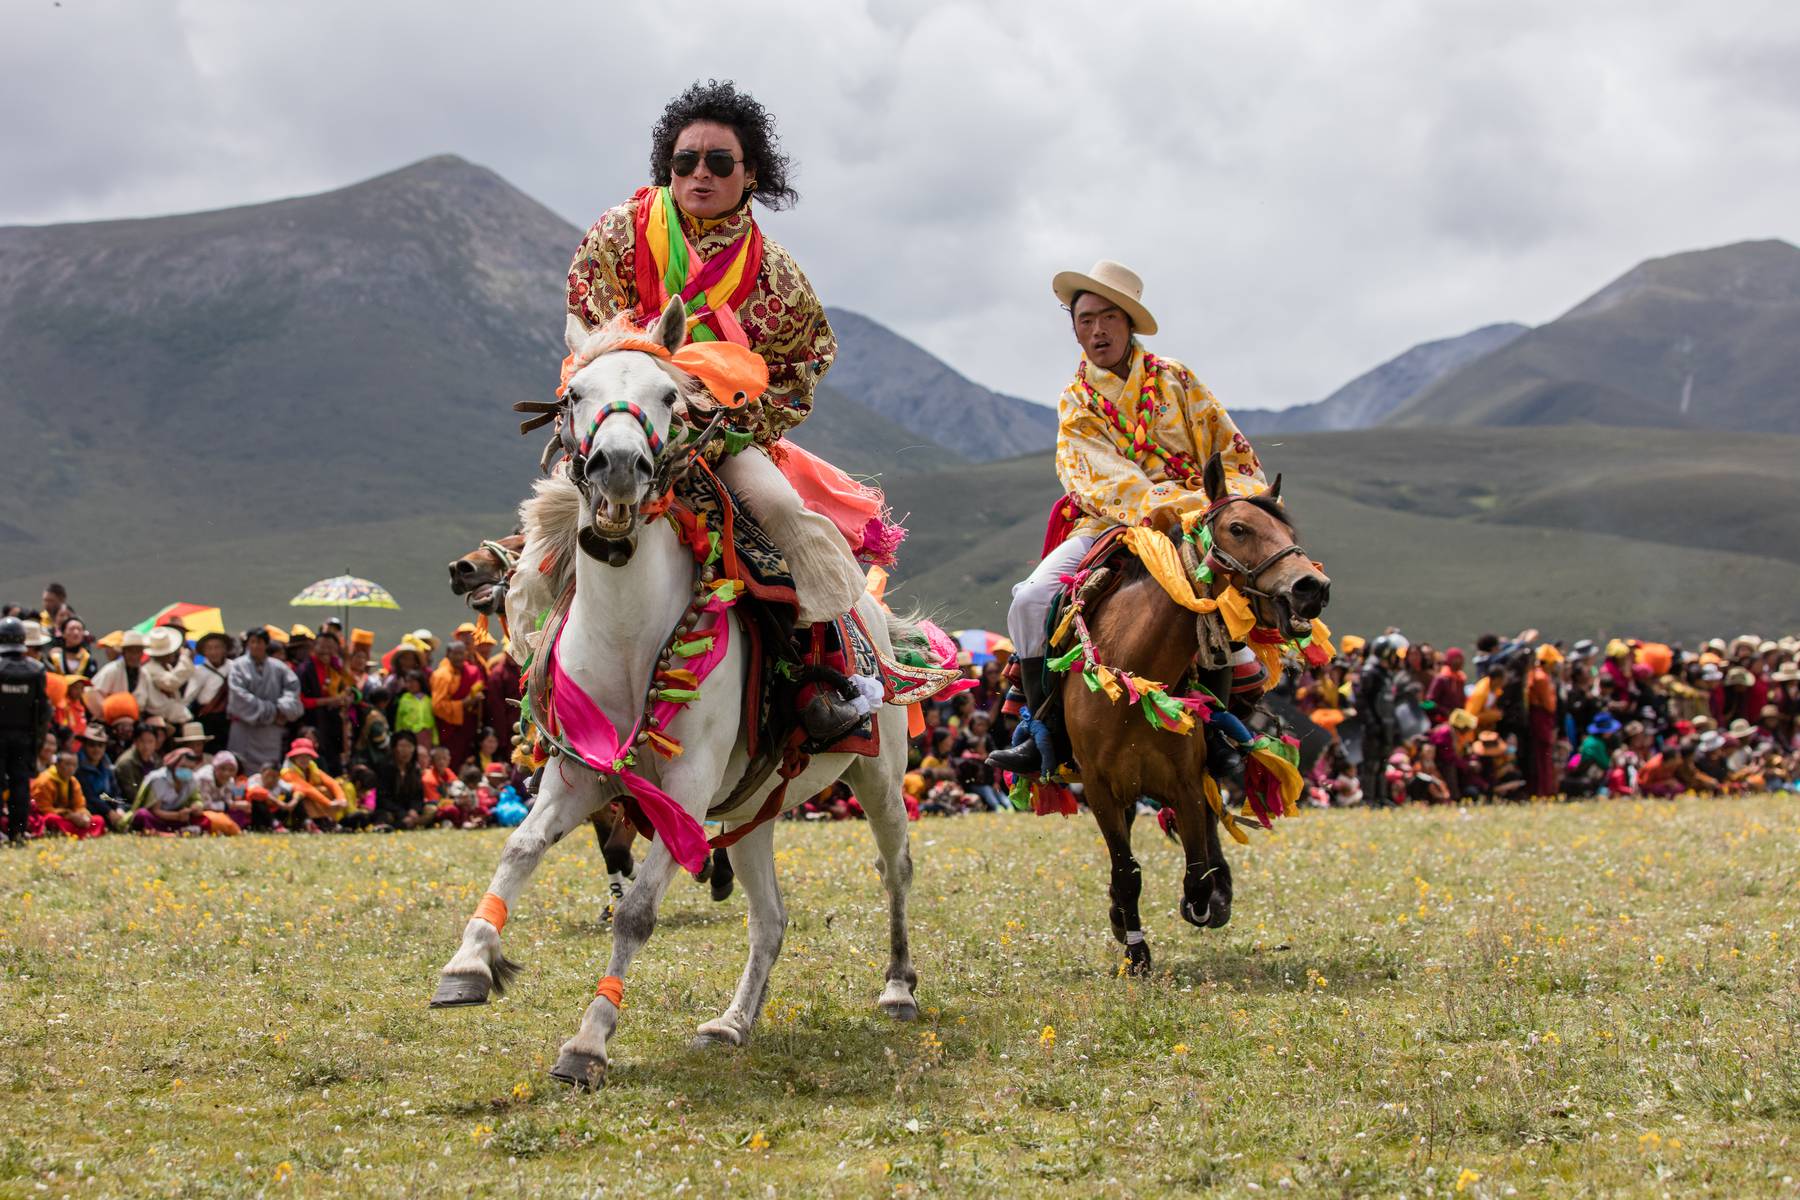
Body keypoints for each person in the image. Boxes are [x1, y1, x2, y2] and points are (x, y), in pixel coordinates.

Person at [559, 79, 872, 635]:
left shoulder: (778, 274)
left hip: (720, 435)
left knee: (780, 510)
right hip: (619, 420)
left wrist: (733, 423)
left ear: (750, 173)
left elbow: (803, 363)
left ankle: (826, 665)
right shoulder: (617, 233)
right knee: (547, 524)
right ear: (669, 167)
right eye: (686, 161)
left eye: (720, 161)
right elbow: (590, 326)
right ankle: (534, 666)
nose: (700, 173)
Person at [989, 260, 1267, 776]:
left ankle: (1219, 731)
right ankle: (1044, 731)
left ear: (1130, 322)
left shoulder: (1178, 380)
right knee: (1029, 601)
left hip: (1193, 523)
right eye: (1086, 318)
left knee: (1220, 596)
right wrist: (1162, 505)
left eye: (1109, 317)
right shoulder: (1076, 401)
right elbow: (1096, 476)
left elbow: (1231, 453)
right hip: (1110, 525)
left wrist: (1218, 505)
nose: (1097, 330)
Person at [0, 616, 52, 845]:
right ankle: (18, 833)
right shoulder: (36, 669)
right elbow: (44, 711)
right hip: (24, 737)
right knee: (20, 784)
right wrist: (38, 741)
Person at [226, 628, 303, 770]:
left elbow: (292, 691)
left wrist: (282, 708)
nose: (255, 646)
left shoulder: (279, 667)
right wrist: (272, 712)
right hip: (244, 728)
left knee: (269, 771)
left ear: (266, 644)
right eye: (252, 642)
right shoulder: (237, 666)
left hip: (270, 734)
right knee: (240, 770)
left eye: (259, 642)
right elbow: (238, 695)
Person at [430, 640, 485, 771]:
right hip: (449, 727)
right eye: (456, 654)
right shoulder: (441, 675)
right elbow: (438, 706)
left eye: (462, 653)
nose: (459, 657)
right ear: (448, 654)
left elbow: (479, 686)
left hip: (468, 725)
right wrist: (464, 703)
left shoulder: (471, 671)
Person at [32, 747, 102, 838]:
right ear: (56, 764)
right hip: (57, 817)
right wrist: (69, 815)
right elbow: (43, 809)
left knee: (98, 820)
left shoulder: (73, 781)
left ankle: (74, 833)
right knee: (51, 819)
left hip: (71, 820)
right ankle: (83, 834)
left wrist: (84, 816)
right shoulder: (44, 781)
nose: (71, 768)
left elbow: (79, 805)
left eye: (74, 765)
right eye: (67, 764)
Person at [280, 738, 348, 830]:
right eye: (300, 756)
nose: (304, 759)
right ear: (293, 757)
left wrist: (341, 798)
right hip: (291, 812)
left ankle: (325, 821)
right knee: (309, 794)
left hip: (314, 806)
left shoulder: (312, 768)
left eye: (307, 756)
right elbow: (307, 789)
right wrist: (329, 803)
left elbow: (332, 783)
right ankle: (317, 822)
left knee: (325, 789)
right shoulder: (287, 772)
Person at [183, 631, 233, 752]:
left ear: (224, 649)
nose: (214, 652)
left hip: (228, 718)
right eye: (209, 648)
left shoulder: (234, 667)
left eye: (217, 647)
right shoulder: (199, 671)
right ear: (204, 652)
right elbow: (189, 697)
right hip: (208, 718)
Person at [72, 726, 125, 830]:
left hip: (107, 807)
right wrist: (109, 812)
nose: (97, 749)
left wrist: (119, 808)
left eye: (100, 745)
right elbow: (88, 796)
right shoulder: (77, 766)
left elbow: (116, 791)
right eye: (92, 745)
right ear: (84, 745)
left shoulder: (107, 764)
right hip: (88, 809)